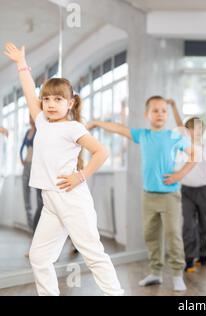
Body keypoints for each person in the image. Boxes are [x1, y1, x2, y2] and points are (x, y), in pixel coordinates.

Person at [4, 42, 124, 296]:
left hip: (71, 200)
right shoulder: (42, 123)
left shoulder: (73, 128)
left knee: (93, 253)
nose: (50, 104)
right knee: (38, 257)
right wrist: (21, 64)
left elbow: (102, 152)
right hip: (50, 201)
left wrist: (80, 176)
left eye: (58, 99)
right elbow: (28, 92)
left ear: (70, 103)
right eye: (46, 99)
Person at [87, 96, 197, 292]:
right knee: (151, 235)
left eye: (164, 110)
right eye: (155, 110)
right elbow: (118, 129)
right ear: (147, 115)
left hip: (170, 196)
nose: (160, 114)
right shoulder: (143, 134)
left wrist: (179, 174)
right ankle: (155, 273)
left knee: (173, 235)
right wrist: (96, 122)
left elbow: (194, 155)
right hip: (149, 196)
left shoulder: (174, 136)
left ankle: (177, 274)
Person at [169, 99, 206, 272]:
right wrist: (173, 106)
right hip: (186, 191)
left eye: (200, 128)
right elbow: (179, 123)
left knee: (204, 224)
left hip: (203, 191)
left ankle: (203, 255)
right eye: (192, 128)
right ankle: (189, 259)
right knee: (188, 225)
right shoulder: (184, 144)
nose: (196, 131)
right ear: (187, 131)